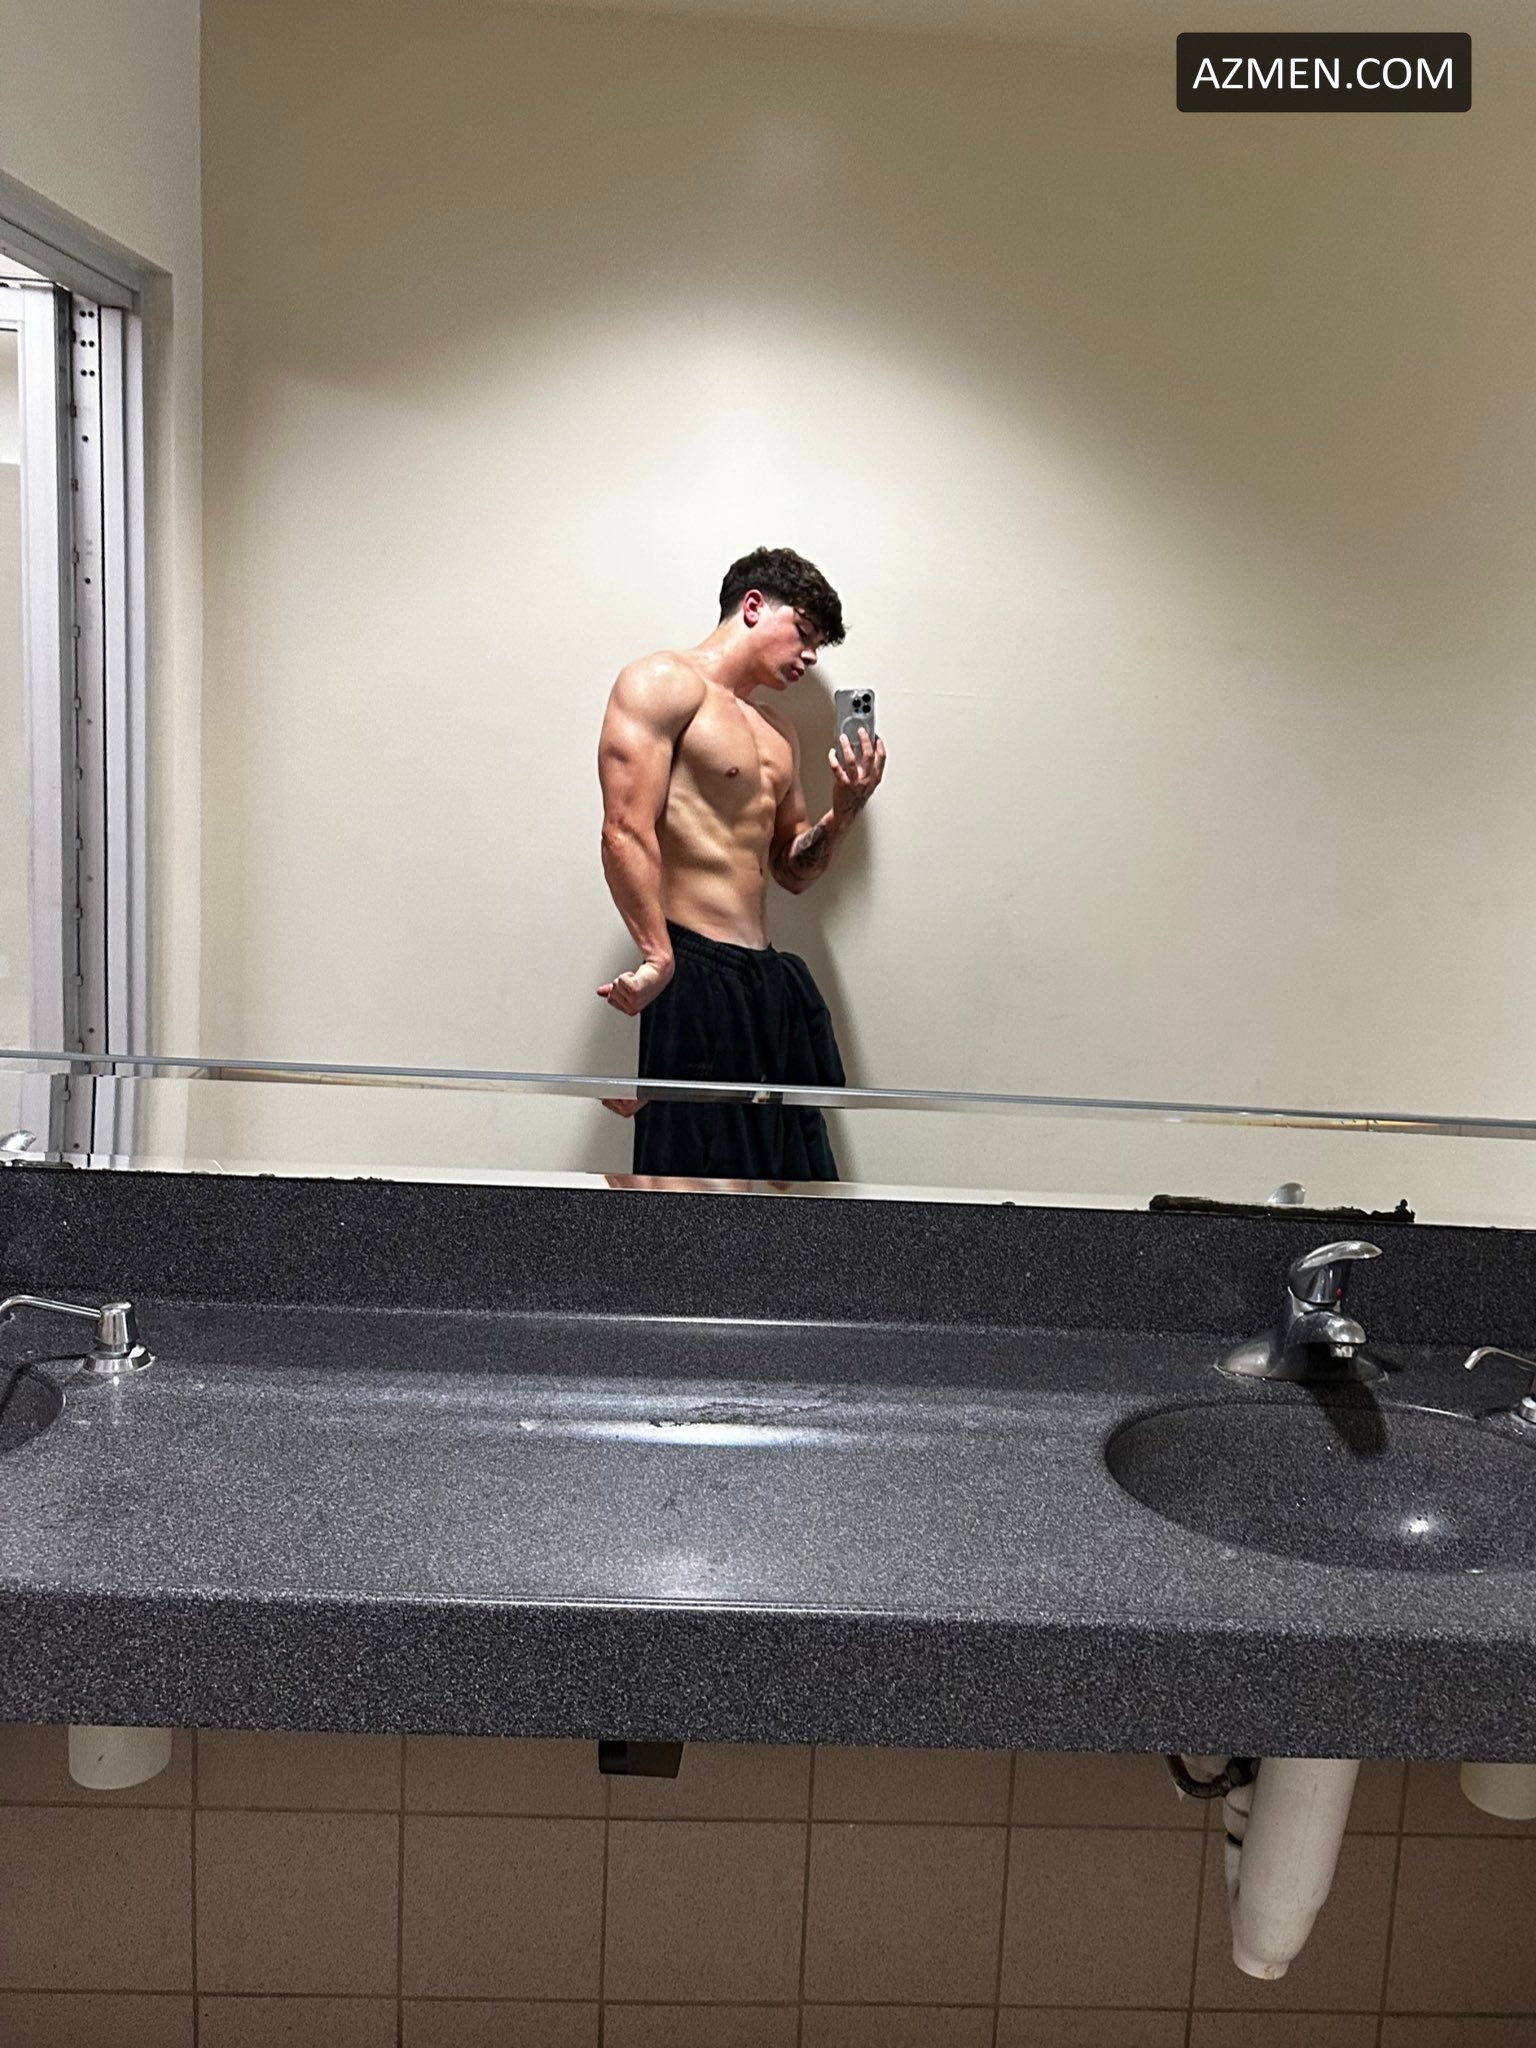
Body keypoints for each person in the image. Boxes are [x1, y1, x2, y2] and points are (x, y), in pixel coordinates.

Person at [596, 545, 886, 1180]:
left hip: (768, 980)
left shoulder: (779, 731)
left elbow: (791, 869)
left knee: (796, 1191)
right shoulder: (661, 683)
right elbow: (624, 828)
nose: (811, 657)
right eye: (804, 632)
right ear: (753, 606)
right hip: (694, 965)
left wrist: (845, 810)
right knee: (695, 1192)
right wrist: (657, 956)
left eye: (819, 645)